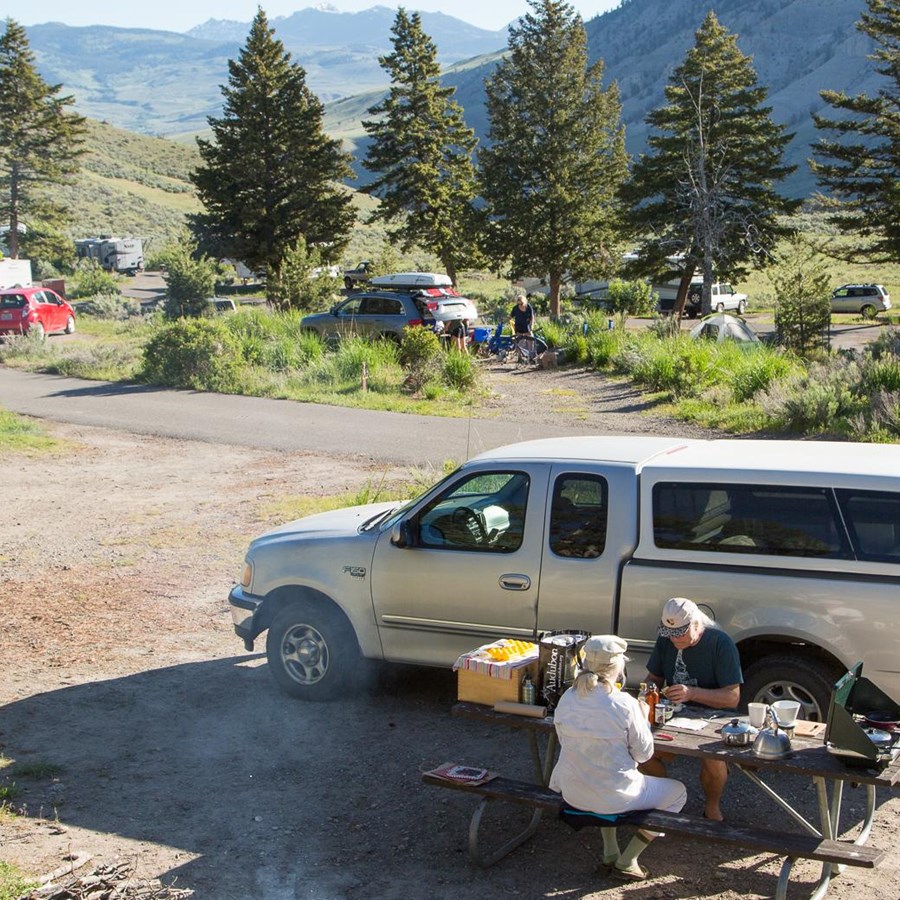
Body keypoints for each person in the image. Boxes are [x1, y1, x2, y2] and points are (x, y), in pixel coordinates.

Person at [550, 635, 686, 882]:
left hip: (572, 791)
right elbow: (645, 754)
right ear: (618, 667)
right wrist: (643, 717)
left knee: (603, 772)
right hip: (614, 795)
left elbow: (565, 742)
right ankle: (628, 860)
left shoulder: (567, 698)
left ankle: (610, 851)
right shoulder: (625, 703)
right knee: (678, 792)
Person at [642, 597, 743, 821]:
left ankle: (712, 807)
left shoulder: (720, 643)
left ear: (697, 625)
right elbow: (653, 678)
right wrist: (647, 693)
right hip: (674, 713)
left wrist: (692, 693)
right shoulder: (666, 639)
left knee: (713, 757)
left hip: (714, 716)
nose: (675, 638)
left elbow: (732, 697)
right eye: (670, 633)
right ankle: (666, 796)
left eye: (680, 633)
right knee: (639, 748)